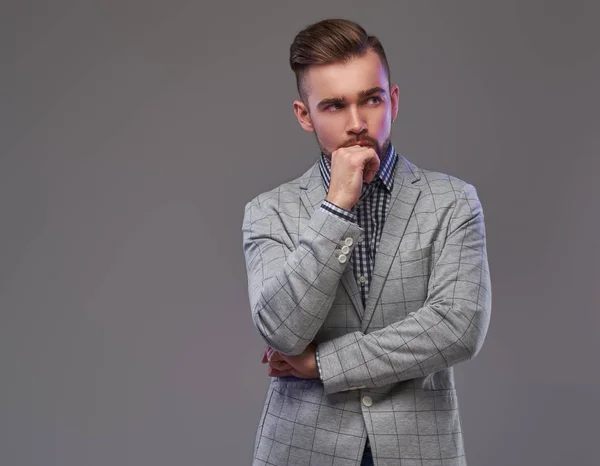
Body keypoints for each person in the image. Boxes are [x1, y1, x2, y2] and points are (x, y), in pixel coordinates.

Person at [241, 18, 491, 466]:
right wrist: (336, 206)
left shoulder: (452, 201)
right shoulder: (269, 210)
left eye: (370, 100)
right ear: (305, 115)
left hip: (418, 449)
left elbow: (459, 327)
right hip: (302, 450)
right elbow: (282, 331)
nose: (357, 123)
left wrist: (323, 364)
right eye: (334, 106)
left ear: (392, 100)